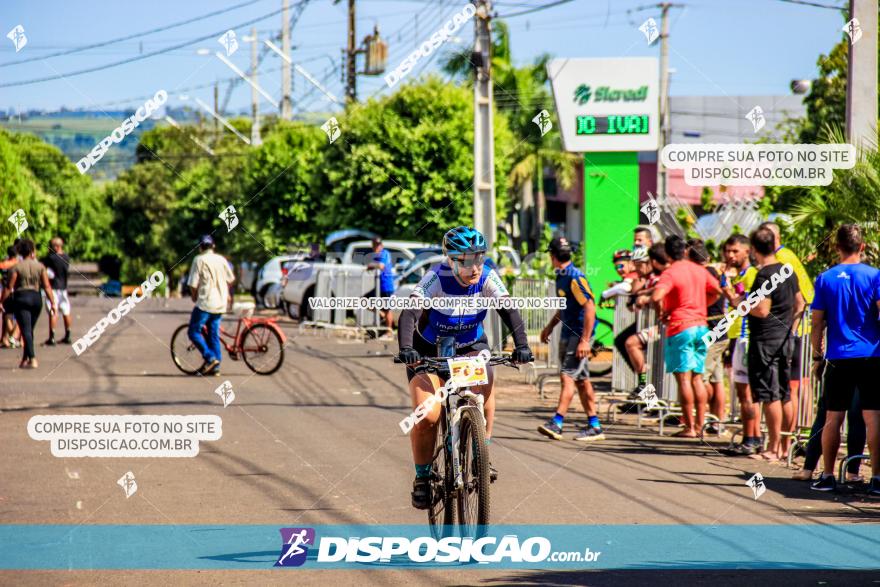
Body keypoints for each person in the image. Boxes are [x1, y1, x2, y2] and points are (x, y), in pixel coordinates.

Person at [397, 226, 533, 509]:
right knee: (429, 415)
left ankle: (482, 455)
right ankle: (422, 477)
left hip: (470, 345)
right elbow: (409, 313)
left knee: (486, 388)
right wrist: (406, 349)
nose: (474, 266)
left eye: (479, 258)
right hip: (429, 350)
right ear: (451, 259)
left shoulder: (486, 276)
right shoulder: (436, 277)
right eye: (466, 260)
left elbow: (509, 309)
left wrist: (522, 345)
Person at [808, 224, 879, 497]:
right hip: (872, 354)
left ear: (837, 247)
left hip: (838, 357)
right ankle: (876, 478)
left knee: (832, 417)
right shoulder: (875, 276)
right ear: (862, 247)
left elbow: (817, 325)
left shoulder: (825, 279)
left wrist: (817, 356)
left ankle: (827, 475)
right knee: (873, 417)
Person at [650, 235, 722, 438]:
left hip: (681, 327)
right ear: (684, 250)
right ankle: (700, 426)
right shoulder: (699, 269)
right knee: (698, 378)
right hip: (702, 327)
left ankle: (689, 427)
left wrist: (661, 312)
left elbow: (656, 296)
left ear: (667, 253)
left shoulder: (671, 272)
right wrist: (704, 305)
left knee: (684, 380)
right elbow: (717, 290)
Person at [537, 236, 605, 442]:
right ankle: (594, 426)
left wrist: (585, 340)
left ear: (553, 256)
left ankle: (557, 423)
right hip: (569, 333)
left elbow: (590, 306)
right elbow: (565, 306)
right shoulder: (562, 275)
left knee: (567, 376)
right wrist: (550, 327)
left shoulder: (575, 277)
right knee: (582, 381)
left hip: (578, 334)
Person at [746, 227, 804, 462]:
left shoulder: (764, 275)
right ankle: (784, 446)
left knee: (770, 395)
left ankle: (773, 448)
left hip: (766, 341)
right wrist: (791, 329)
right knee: (785, 394)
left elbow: (762, 309)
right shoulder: (787, 270)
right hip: (784, 339)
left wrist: (743, 304)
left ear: (754, 249)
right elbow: (800, 303)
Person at [759, 221, 813, 455]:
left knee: (795, 386)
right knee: (796, 384)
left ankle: (796, 439)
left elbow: (799, 298)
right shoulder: (783, 256)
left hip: (797, 328)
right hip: (794, 327)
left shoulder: (784, 258)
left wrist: (790, 329)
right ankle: (797, 437)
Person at [719, 234, 761, 455]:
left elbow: (745, 305)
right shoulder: (739, 275)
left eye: (735, 251)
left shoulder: (752, 275)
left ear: (748, 251)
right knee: (743, 392)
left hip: (746, 337)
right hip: (737, 337)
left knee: (747, 393)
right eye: (727, 251)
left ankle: (752, 439)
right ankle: (751, 436)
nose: (730, 255)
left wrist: (728, 291)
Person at [687, 239, 726, 432]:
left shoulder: (704, 274)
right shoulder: (714, 271)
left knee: (700, 378)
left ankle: (703, 421)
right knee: (716, 380)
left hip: (712, 333)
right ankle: (718, 421)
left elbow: (716, 294)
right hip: (719, 332)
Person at [0, 239, 55, 368]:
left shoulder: (16, 267)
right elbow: (47, 286)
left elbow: (9, 287)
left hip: (21, 298)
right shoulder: (40, 266)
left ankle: (33, 358)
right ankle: (25, 359)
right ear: (32, 251)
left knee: (26, 331)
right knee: (28, 330)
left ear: (20, 252)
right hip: (36, 299)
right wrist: (52, 302)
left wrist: (1, 301)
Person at [625, 244, 669, 399]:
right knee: (627, 344)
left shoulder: (661, 276)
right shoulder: (647, 278)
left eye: (640, 265)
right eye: (635, 266)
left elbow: (657, 291)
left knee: (631, 343)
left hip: (661, 326)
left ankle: (644, 386)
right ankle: (646, 392)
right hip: (652, 324)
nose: (637, 269)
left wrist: (643, 296)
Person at [187, 235, 235, 376]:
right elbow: (231, 279)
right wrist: (225, 291)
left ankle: (210, 358)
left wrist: (194, 296)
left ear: (200, 247)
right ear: (213, 246)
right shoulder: (221, 259)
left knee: (193, 331)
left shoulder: (199, 260)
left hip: (205, 303)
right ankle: (215, 367)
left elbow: (192, 284)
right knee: (213, 334)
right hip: (220, 303)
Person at [42, 237, 72, 345]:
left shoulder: (51, 258)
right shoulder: (66, 257)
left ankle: (52, 337)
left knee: (53, 311)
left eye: (51, 246)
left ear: (56, 246)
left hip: (53, 288)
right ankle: (68, 334)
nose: (49, 248)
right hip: (63, 288)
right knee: (66, 311)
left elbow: (44, 268)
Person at [366, 236, 395, 338]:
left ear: (381, 245)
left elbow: (381, 266)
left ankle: (389, 332)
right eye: (375, 245)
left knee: (387, 309)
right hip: (379, 287)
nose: (376, 247)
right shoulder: (376, 256)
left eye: (378, 245)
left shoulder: (385, 253)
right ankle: (382, 316)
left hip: (387, 286)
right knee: (364, 301)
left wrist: (371, 265)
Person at [0, 245, 20, 348]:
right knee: (20, 315)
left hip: (5, 291)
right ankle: (13, 335)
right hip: (16, 291)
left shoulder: (2, 265)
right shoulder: (18, 264)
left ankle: (9, 337)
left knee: (7, 314)